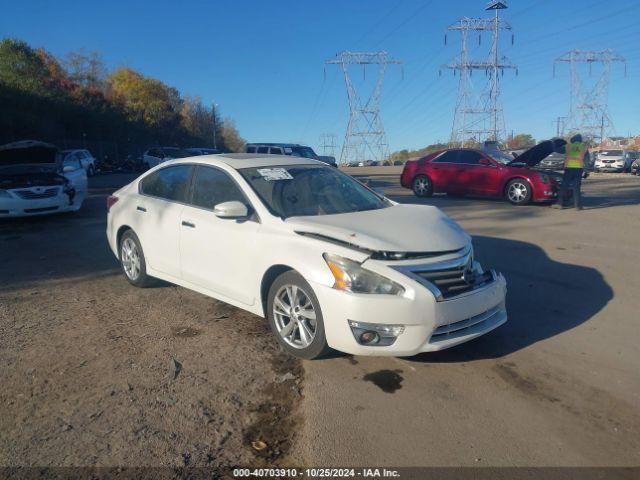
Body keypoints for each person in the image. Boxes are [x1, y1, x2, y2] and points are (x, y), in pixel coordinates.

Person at [552, 133, 588, 210]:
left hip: (569, 168)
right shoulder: (584, 147)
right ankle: (577, 206)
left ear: (573, 139)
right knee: (576, 187)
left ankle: (559, 204)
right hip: (579, 169)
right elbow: (587, 160)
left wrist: (554, 144)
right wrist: (586, 171)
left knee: (564, 186)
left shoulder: (568, 146)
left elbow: (558, 150)